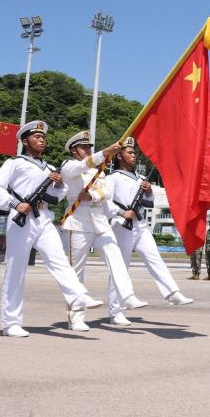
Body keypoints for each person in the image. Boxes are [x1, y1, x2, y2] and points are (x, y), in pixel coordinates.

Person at [0, 121, 104, 337]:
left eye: (43, 137)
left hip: (43, 217)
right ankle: (11, 323)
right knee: (16, 270)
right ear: (25, 141)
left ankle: (78, 295)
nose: (42, 140)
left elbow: (57, 196)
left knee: (58, 259)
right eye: (36, 137)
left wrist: (59, 184)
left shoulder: (51, 168)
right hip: (21, 218)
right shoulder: (15, 163)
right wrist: (13, 204)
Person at [60, 131, 147, 330]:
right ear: (74, 150)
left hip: (99, 219)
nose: (89, 150)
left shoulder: (98, 171)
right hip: (79, 220)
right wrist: (105, 152)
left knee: (115, 257)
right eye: (84, 147)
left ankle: (127, 296)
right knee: (76, 270)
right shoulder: (70, 166)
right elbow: (83, 165)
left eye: (90, 147)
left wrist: (92, 195)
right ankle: (76, 316)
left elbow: (107, 193)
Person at [107, 140, 193, 318]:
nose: (133, 155)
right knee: (120, 267)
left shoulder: (140, 178)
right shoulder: (112, 177)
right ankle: (116, 311)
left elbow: (149, 203)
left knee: (155, 259)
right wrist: (121, 212)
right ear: (119, 156)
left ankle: (172, 293)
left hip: (140, 225)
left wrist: (148, 191)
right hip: (122, 226)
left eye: (133, 152)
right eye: (129, 152)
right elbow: (105, 201)